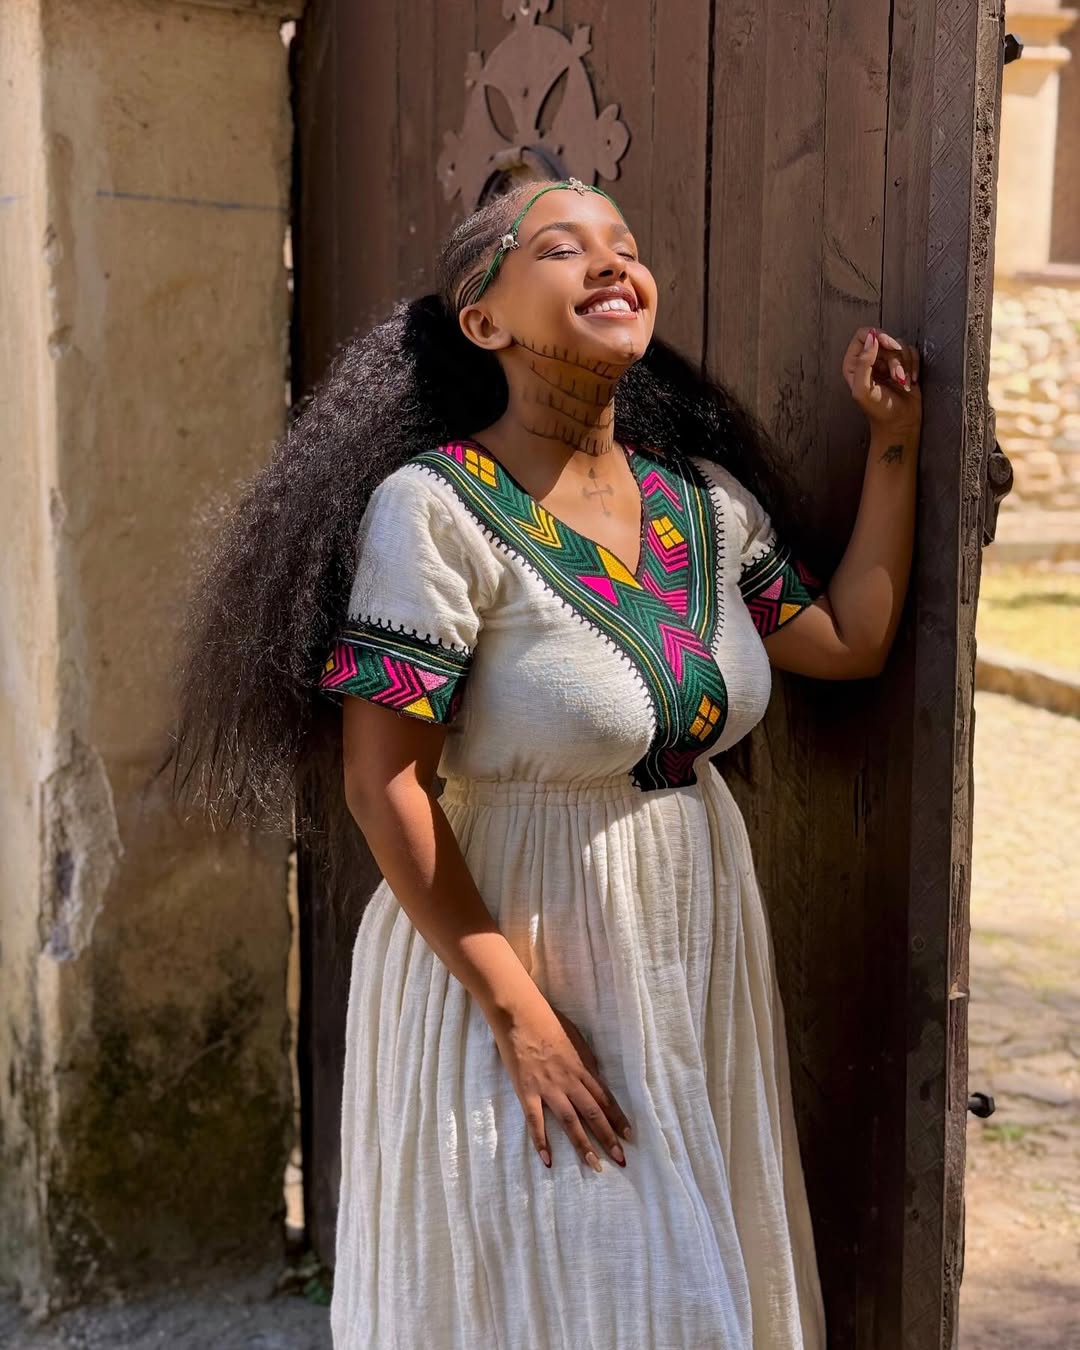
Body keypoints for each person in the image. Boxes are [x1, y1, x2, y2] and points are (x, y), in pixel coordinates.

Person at [174, 177, 922, 1349]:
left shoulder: (705, 512)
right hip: (511, 951)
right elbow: (385, 783)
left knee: (676, 1301)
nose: (613, 265)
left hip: (684, 943)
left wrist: (892, 445)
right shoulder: (434, 513)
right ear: (484, 320)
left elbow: (849, 642)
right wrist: (520, 1018)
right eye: (565, 250)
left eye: (627, 246)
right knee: (567, 1296)